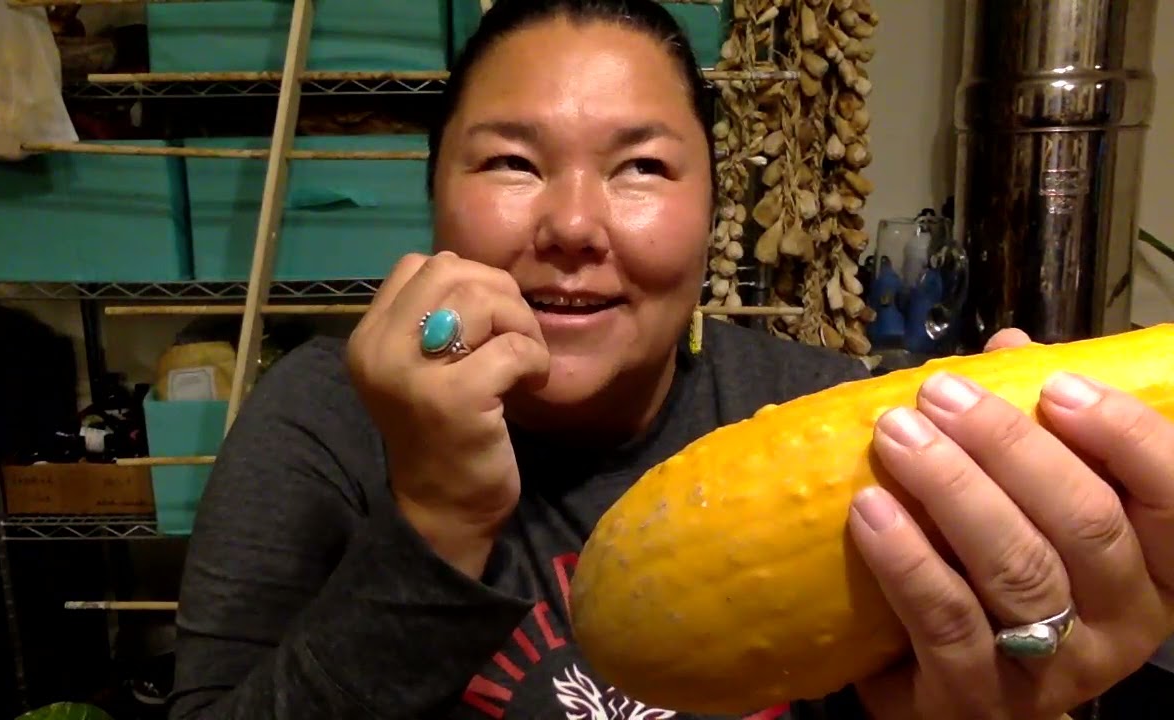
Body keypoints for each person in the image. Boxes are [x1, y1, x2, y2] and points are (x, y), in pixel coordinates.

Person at [167, 1, 1174, 718]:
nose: (570, 224)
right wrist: (434, 517)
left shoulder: (833, 413)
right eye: (511, 162)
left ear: (709, 214)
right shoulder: (321, 419)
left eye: (640, 167)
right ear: (432, 197)